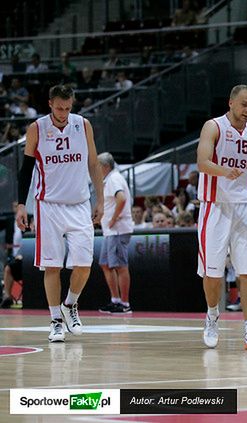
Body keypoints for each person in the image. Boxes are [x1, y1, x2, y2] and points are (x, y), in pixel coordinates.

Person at [15, 85, 104, 342]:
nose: (64, 113)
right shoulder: (37, 128)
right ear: (50, 103)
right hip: (48, 205)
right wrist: (23, 204)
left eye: (68, 108)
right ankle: (55, 320)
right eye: (59, 108)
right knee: (52, 267)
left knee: (84, 265)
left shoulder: (83, 125)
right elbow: (26, 169)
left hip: (79, 203)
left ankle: (70, 305)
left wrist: (101, 199)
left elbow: (93, 163)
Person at [197, 84, 247, 350]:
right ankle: (213, 315)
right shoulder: (213, 126)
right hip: (215, 206)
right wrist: (224, 171)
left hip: (245, 208)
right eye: (244, 105)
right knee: (213, 273)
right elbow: (202, 162)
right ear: (231, 103)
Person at [97, 152, 134, 314]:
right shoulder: (110, 180)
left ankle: (125, 304)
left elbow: (121, 198)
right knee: (105, 263)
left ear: (105, 166)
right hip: (110, 231)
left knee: (119, 266)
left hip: (117, 229)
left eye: (97, 166)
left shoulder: (114, 179)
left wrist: (113, 219)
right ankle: (115, 300)